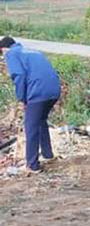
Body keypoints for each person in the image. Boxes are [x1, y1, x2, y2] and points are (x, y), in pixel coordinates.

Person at [0, 36, 61, 174]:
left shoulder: (11, 53)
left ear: (3, 49)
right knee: (40, 120)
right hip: (54, 90)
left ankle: (32, 165)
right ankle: (48, 154)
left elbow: (19, 76)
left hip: (38, 92)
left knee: (31, 126)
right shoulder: (32, 51)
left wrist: (22, 99)